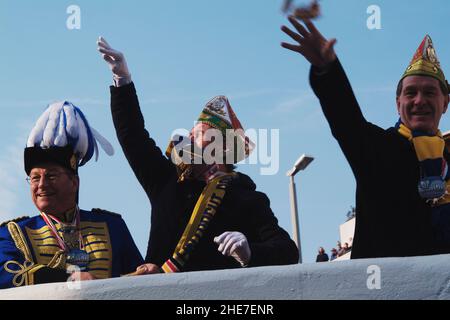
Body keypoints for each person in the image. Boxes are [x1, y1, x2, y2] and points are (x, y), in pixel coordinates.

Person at [97, 37, 299, 273]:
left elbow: (287, 251)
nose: (189, 139)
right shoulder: (166, 180)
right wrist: (123, 81)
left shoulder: (248, 199)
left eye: (199, 134)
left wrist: (249, 252)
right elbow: (133, 136)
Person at [281, 16, 450, 259]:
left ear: (445, 103)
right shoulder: (376, 147)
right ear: (397, 103)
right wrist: (327, 70)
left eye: (430, 92)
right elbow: (345, 118)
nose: (419, 100)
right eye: (411, 93)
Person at [0, 102, 143, 289]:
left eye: (51, 176)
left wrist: (146, 272)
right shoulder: (12, 233)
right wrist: (69, 279)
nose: (41, 185)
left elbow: (138, 282)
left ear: (74, 182)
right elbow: (5, 273)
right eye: (35, 178)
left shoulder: (112, 226)